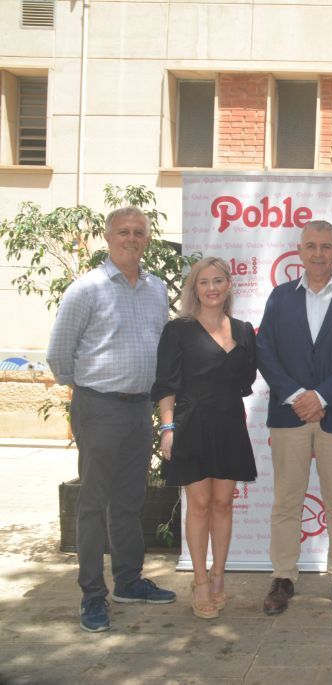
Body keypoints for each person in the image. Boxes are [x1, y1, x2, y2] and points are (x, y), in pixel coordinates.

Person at [47, 207, 177, 633]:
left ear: (147, 239)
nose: (132, 238)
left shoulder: (157, 289)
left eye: (139, 232)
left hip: (139, 409)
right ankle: (92, 595)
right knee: (92, 504)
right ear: (108, 237)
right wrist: (88, 389)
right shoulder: (86, 289)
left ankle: (127, 581)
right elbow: (59, 354)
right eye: (123, 231)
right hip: (99, 406)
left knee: (130, 499)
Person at [256, 220, 332, 615]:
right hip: (288, 414)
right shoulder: (280, 297)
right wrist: (297, 397)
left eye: (327, 246)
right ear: (300, 250)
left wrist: (322, 396)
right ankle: (283, 576)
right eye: (311, 246)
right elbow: (265, 351)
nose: (319, 253)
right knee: (286, 500)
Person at [151, 257, 258, 619]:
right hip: (191, 424)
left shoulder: (244, 330)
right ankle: (199, 580)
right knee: (198, 505)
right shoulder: (178, 330)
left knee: (223, 504)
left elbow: (246, 380)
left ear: (229, 285)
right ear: (194, 289)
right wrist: (168, 430)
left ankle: (218, 575)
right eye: (204, 282)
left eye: (218, 281)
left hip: (229, 424)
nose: (212, 288)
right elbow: (166, 385)